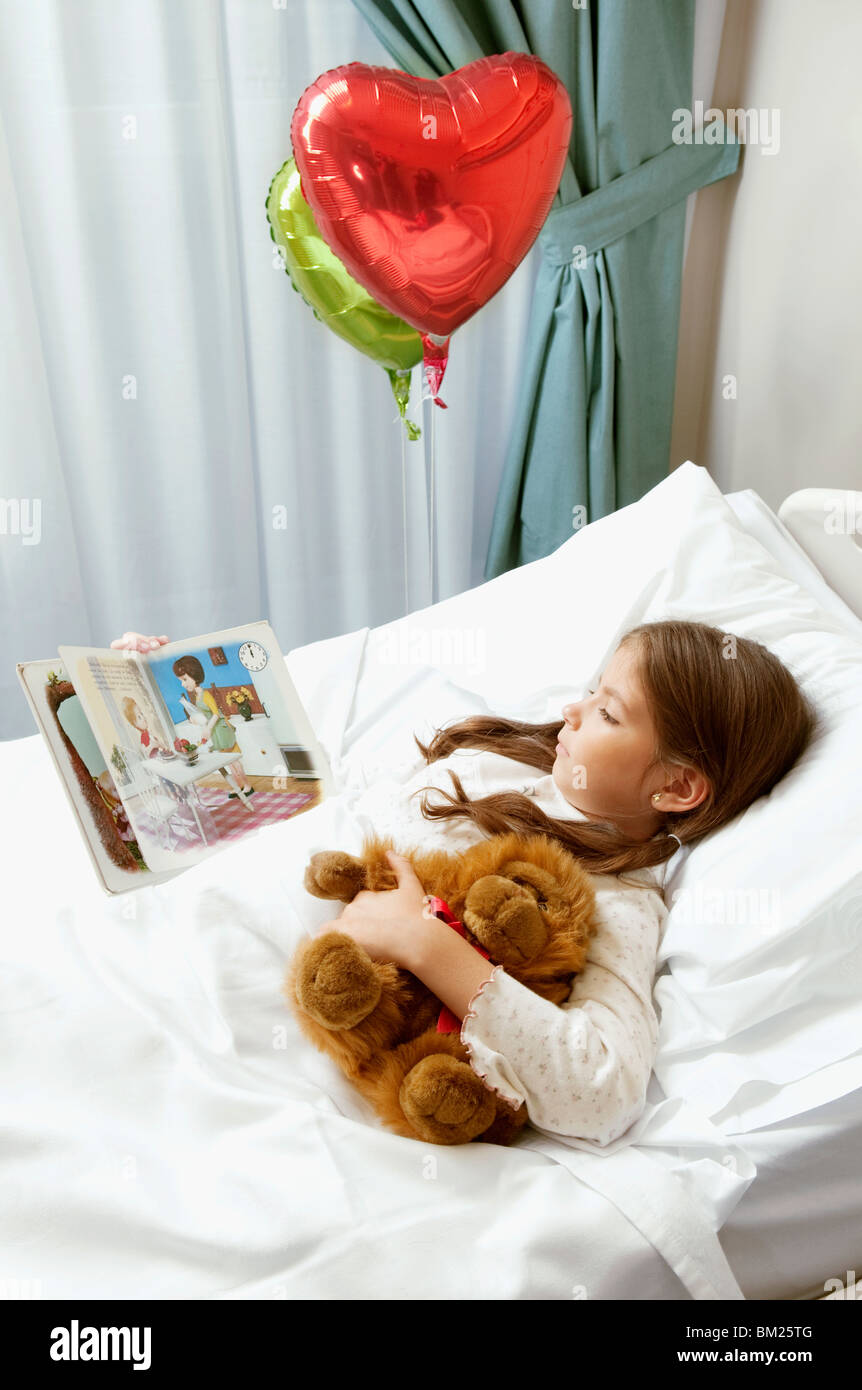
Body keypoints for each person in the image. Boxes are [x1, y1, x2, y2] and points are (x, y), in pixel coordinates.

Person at [110, 621, 819, 1148]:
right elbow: (356, 800)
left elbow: (602, 1094)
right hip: (233, 886)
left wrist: (426, 943)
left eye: (608, 713)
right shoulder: (516, 762)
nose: (574, 712)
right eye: (591, 692)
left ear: (677, 786)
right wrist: (186, 715)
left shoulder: (616, 901)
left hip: (287, 1007)